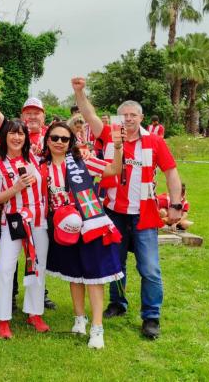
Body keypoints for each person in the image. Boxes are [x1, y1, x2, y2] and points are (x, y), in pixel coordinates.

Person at [73, 77, 183, 339]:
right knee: (115, 263)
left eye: (133, 115)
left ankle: (151, 316)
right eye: (124, 115)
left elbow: (171, 172)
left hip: (144, 214)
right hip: (114, 212)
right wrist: (79, 92)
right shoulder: (110, 135)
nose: (129, 119)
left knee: (150, 268)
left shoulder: (155, 142)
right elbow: (89, 115)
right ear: (118, 118)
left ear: (141, 117)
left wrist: (176, 204)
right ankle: (117, 303)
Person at [0, 75, 57, 311]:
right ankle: (7, 305)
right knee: (7, 266)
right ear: (22, 116)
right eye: (28, 113)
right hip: (13, 215)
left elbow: (67, 148)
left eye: (36, 113)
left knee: (37, 262)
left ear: (43, 116)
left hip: (39, 215)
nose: (32, 117)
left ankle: (36, 307)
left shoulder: (49, 139)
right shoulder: (13, 136)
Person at [42, 121, 124, 349]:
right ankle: (80, 318)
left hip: (89, 222)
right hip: (64, 227)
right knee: (74, 274)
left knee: (94, 276)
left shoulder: (82, 161)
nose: (59, 142)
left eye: (64, 139)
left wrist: (118, 148)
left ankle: (97, 327)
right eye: (55, 138)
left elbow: (113, 170)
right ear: (47, 140)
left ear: (71, 142)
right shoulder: (42, 166)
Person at [0, 119, 50, 339]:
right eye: (13, 133)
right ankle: (3, 319)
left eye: (21, 134)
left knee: (37, 266)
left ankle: (34, 313)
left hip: (38, 220)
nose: (17, 138)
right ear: (5, 137)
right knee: (6, 268)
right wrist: (16, 188)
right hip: (14, 222)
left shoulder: (34, 157)